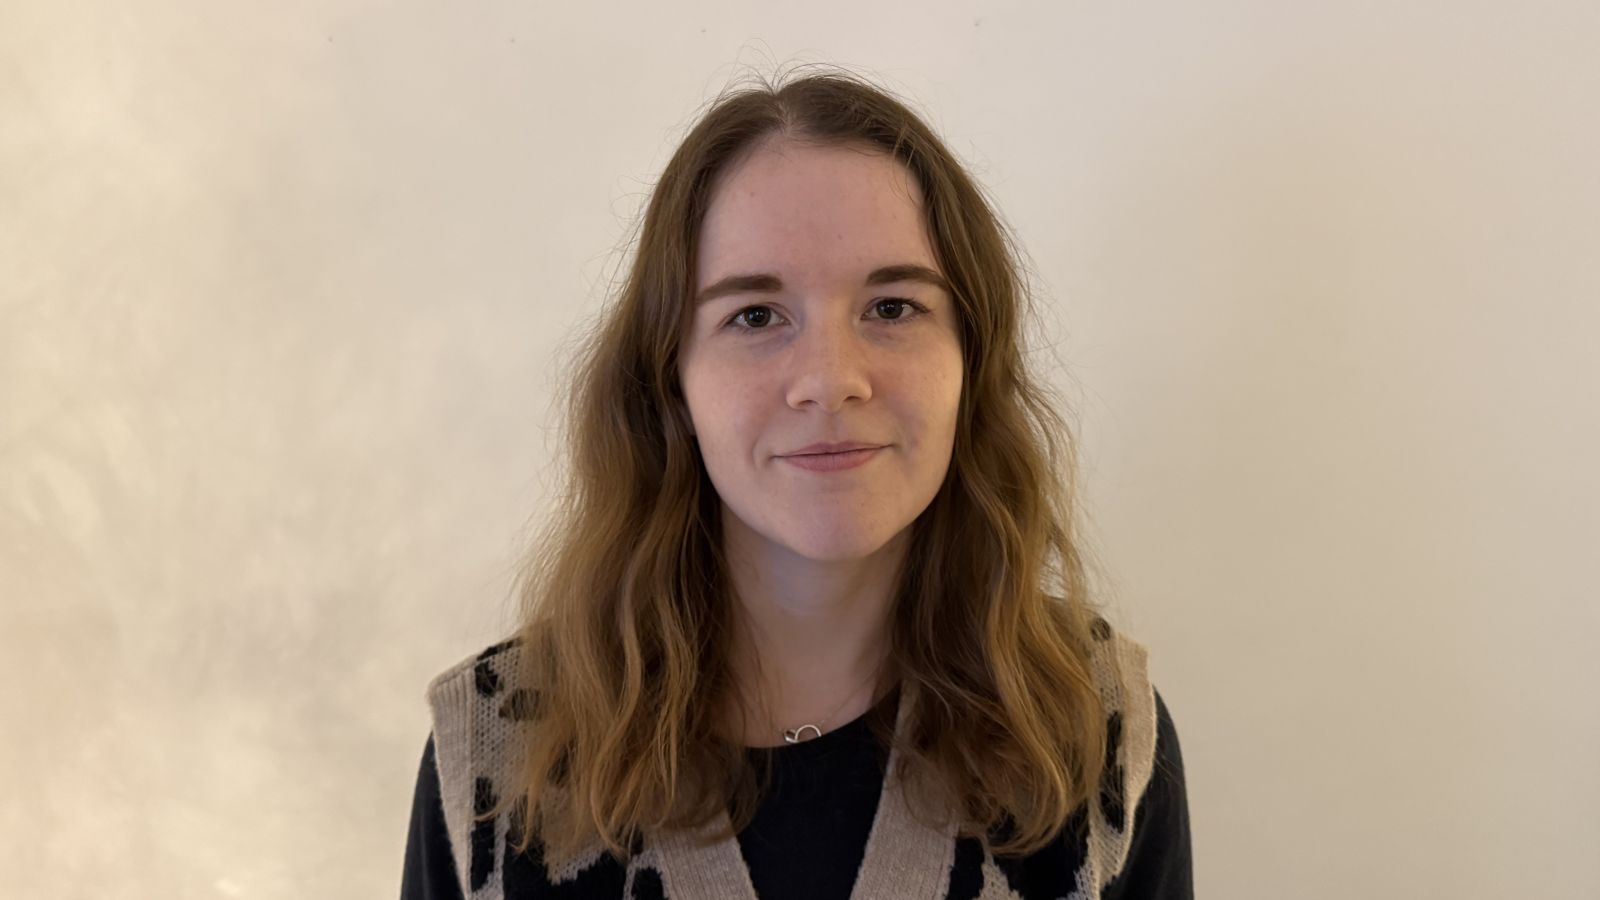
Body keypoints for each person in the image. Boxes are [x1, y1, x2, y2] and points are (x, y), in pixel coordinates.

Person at [401, 65, 1192, 900]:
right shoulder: (501, 754)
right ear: (672, 382)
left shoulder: (1092, 726)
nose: (830, 381)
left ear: (973, 360)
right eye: (754, 316)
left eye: (893, 307)